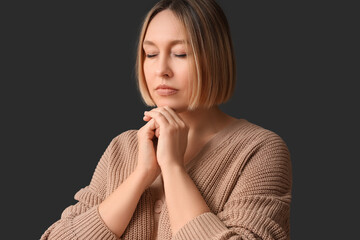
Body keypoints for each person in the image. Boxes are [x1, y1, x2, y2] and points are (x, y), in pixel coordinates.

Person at [41, 0, 292, 239]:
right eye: (150, 54)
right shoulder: (123, 148)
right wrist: (141, 174)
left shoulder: (259, 149)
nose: (161, 69)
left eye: (180, 54)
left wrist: (173, 168)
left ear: (215, 59)